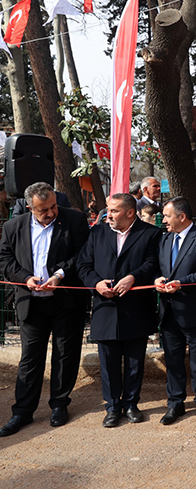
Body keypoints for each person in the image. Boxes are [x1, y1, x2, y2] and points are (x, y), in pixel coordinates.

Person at [0, 183, 90, 437]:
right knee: (30, 358)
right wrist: (25, 278)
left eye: (53, 206)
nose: (51, 213)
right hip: (31, 302)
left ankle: (59, 404)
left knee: (65, 354)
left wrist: (60, 274)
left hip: (66, 301)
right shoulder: (13, 227)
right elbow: (5, 259)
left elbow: (83, 253)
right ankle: (22, 411)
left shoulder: (74, 220)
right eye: (43, 210)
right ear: (30, 208)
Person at [76, 193, 161, 428]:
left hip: (135, 308)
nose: (108, 215)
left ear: (130, 212)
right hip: (105, 308)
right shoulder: (97, 232)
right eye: (108, 210)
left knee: (134, 362)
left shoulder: (150, 233)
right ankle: (112, 407)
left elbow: (153, 263)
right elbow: (83, 264)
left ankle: (131, 405)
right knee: (108, 363)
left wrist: (134, 277)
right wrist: (96, 283)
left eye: (114, 211)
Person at [154, 197, 196, 425]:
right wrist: (157, 279)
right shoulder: (164, 239)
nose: (164, 220)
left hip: (195, 310)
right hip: (169, 311)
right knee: (173, 360)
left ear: (182, 217)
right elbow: (157, 266)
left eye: (167, 216)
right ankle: (175, 403)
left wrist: (181, 283)